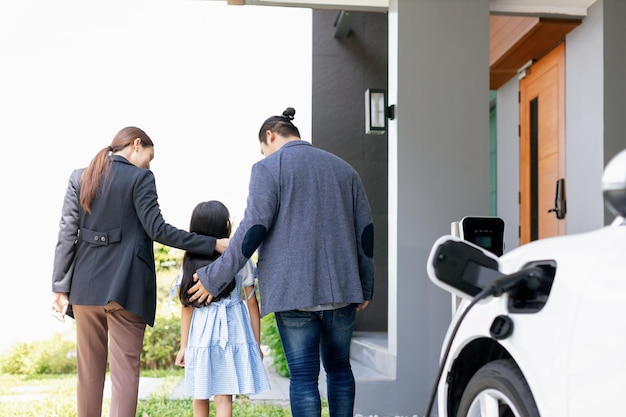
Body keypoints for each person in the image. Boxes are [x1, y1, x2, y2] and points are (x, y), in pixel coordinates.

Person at [188, 108, 375, 417]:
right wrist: (365, 286)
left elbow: (252, 230)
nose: (264, 153)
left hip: (293, 292)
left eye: (263, 147)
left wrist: (214, 276)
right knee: (340, 370)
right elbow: (365, 234)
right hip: (342, 289)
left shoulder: (267, 169)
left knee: (303, 378)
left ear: (270, 136)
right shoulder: (345, 170)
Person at [50, 126, 228, 417]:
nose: (149, 163)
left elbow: (66, 233)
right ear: (136, 144)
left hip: (84, 290)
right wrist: (213, 243)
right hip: (126, 288)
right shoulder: (140, 177)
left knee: (88, 375)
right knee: (125, 375)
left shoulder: (79, 176)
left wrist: (60, 287)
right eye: (150, 156)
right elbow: (158, 230)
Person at [174, 200, 270, 417]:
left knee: (200, 391)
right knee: (224, 393)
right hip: (232, 328)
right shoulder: (240, 259)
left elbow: (187, 307)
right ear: (227, 225)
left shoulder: (189, 262)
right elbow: (252, 304)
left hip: (201, 334)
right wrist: (256, 343)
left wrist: (184, 346)